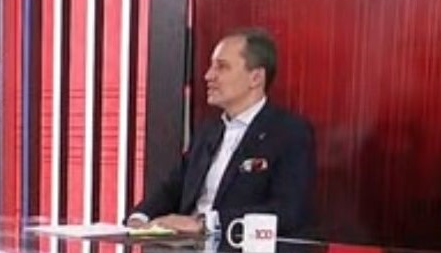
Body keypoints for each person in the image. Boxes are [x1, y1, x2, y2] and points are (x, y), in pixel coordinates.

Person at [126, 28, 315, 238]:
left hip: (239, 249)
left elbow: (287, 211)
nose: (208, 76)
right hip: (185, 247)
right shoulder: (207, 131)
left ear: (256, 77)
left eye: (222, 67)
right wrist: (140, 217)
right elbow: (173, 187)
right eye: (211, 66)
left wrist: (206, 223)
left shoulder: (289, 133)